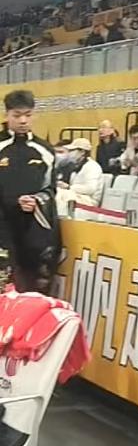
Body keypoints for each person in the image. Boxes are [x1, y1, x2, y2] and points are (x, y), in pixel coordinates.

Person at [0, 90, 61, 294]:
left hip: (32, 230)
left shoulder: (45, 150)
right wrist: (12, 201)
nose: (23, 120)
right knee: (4, 287)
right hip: (2, 228)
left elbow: (50, 189)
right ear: (7, 114)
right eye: (17, 115)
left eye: (28, 115)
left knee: (32, 289)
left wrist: (37, 201)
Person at [56, 138, 103, 211]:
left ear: (82, 152)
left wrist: (68, 187)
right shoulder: (76, 166)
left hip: (89, 200)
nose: (69, 153)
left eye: (72, 151)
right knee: (57, 191)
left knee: (62, 195)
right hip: (78, 196)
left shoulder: (92, 166)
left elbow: (91, 189)